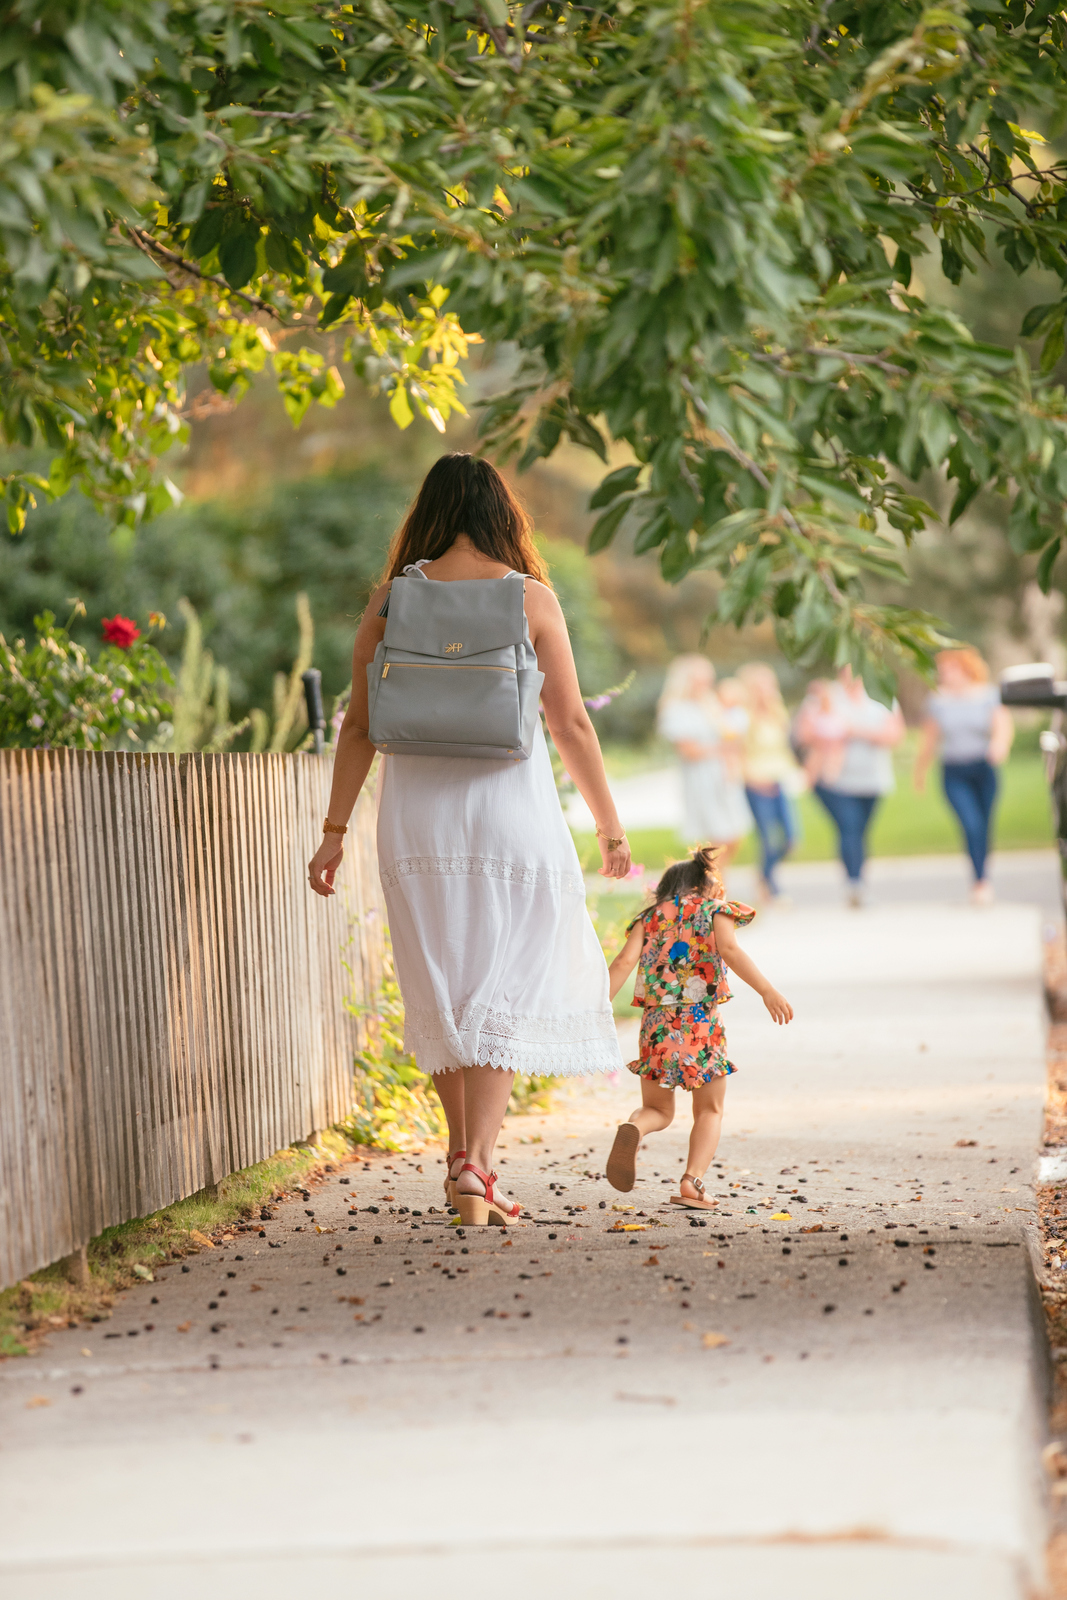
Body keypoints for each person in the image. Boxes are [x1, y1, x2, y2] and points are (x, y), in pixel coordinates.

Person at [307, 453, 630, 1226]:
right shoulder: (530, 598)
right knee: (502, 987)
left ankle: (460, 1159)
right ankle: (479, 1165)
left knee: (442, 986)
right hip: (508, 816)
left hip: (417, 820)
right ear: (502, 515)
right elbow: (570, 722)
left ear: (426, 513)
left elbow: (356, 725)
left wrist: (333, 832)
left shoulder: (392, 601)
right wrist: (608, 824)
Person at [601, 845, 792, 1209]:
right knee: (709, 1111)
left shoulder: (650, 917)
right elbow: (731, 951)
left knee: (658, 1110)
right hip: (700, 1025)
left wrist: (595, 1009)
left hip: (656, 1027)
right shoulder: (715, 911)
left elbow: (626, 960)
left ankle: (635, 1127)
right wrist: (767, 991)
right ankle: (692, 1181)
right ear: (705, 886)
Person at [796, 666, 904, 907]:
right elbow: (804, 733)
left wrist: (853, 730)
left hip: (872, 779)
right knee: (849, 827)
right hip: (834, 780)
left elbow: (895, 735)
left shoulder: (881, 695)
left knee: (860, 831)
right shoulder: (824, 695)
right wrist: (830, 733)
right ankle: (854, 884)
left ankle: (857, 879)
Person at [913, 647, 1014, 905]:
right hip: (954, 771)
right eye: (943, 671)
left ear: (966, 670)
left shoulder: (987, 695)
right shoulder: (938, 700)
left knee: (984, 825)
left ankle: (982, 879)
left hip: (983, 768)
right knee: (971, 824)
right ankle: (979, 881)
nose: (945, 675)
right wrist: (920, 772)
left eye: (950, 669)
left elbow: (1002, 725)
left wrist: (999, 746)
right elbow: (930, 738)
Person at [657, 655, 751, 867]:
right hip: (702, 777)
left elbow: (734, 731)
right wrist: (722, 748)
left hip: (724, 775)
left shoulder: (712, 705)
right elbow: (688, 750)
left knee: (733, 834)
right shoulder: (677, 709)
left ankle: (712, 883)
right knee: (717, 835)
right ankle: (709, 886)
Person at [737, 662, 804, 901]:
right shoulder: (742, 715)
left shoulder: (778, 712)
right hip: (757, 783)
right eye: (760, 686)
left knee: (791, 838)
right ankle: (772, 887)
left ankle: (763, 876)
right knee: (768, 838)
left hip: (780, 780)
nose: (766, 690)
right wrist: (751, 779)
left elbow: (787, 747)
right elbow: (737, 752)